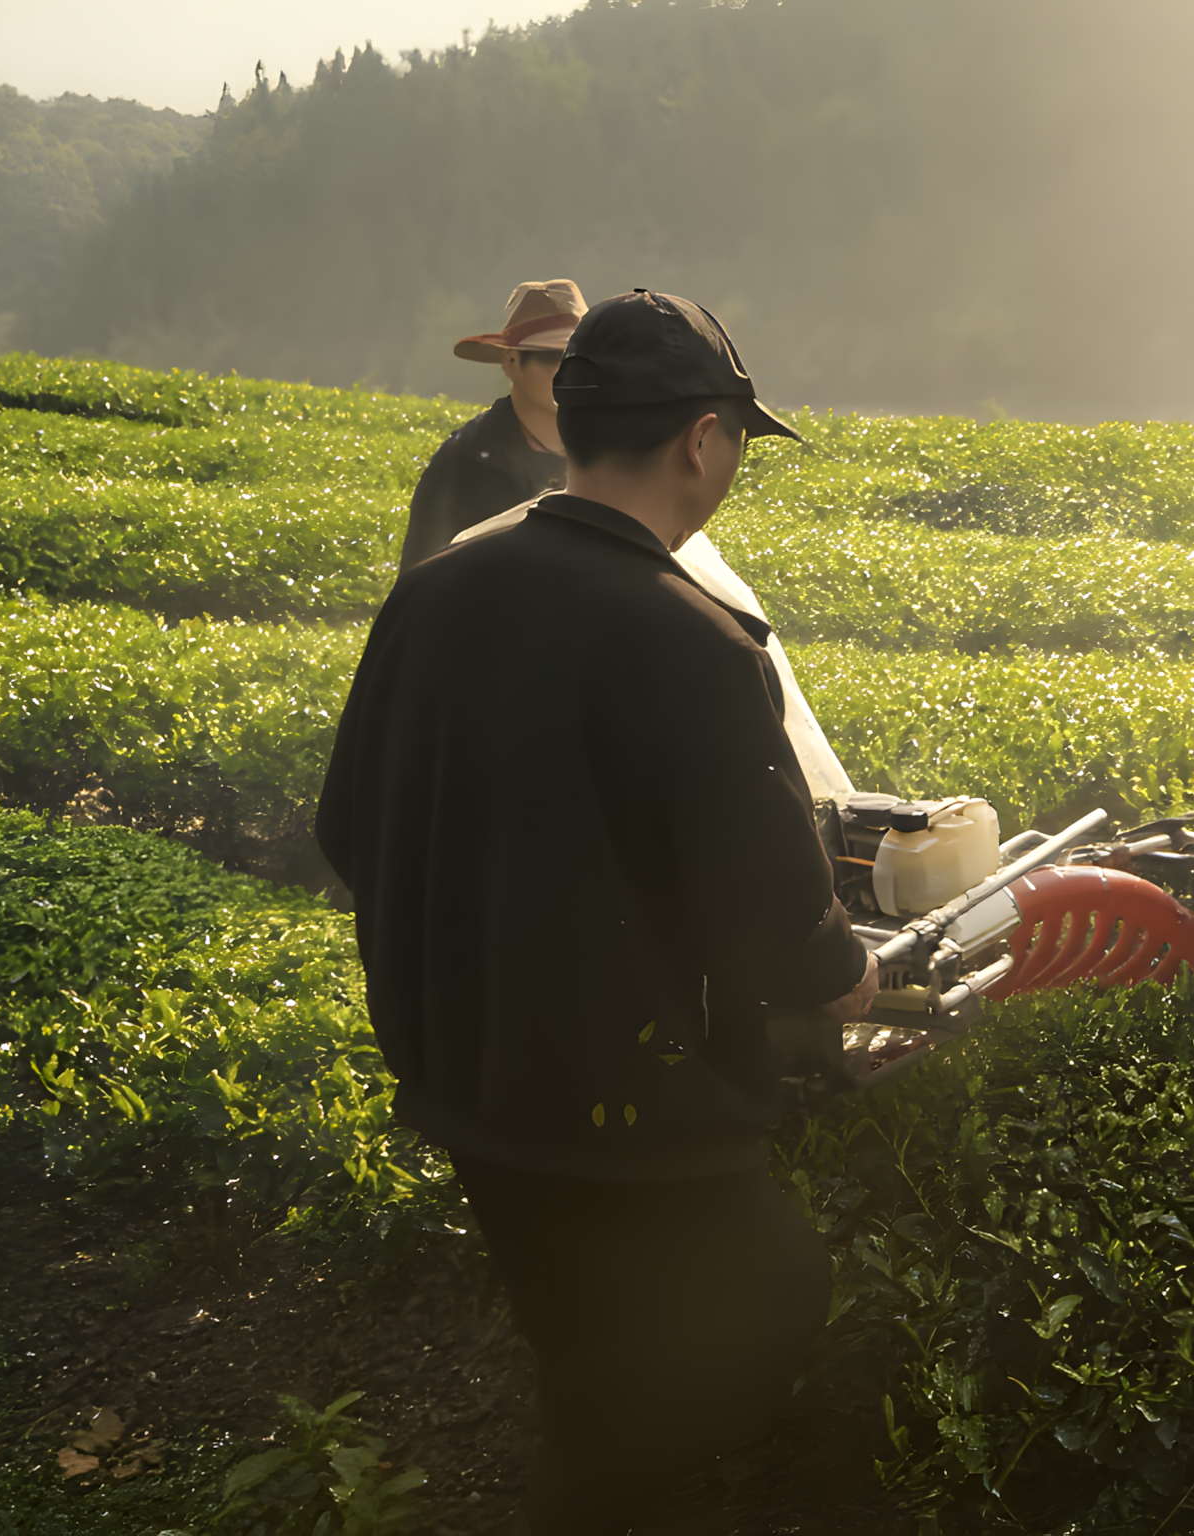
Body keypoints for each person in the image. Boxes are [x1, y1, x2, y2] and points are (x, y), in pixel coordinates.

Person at [316, 287, 879, 1534]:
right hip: (632, 1103)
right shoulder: (690, 638)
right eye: (736, 436)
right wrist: (841, 969)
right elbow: (766, 911)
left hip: (465, 1075)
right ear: (701, 440)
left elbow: (345, 829)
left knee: (579, 1346)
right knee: (773, 1296)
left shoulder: (435, 596)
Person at [399, 278, 585, 569]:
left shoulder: (614, 452)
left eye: (581, 358)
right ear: (511, 362)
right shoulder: (464, 461)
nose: (571, 371)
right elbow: (422, 574)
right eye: (555, 357)